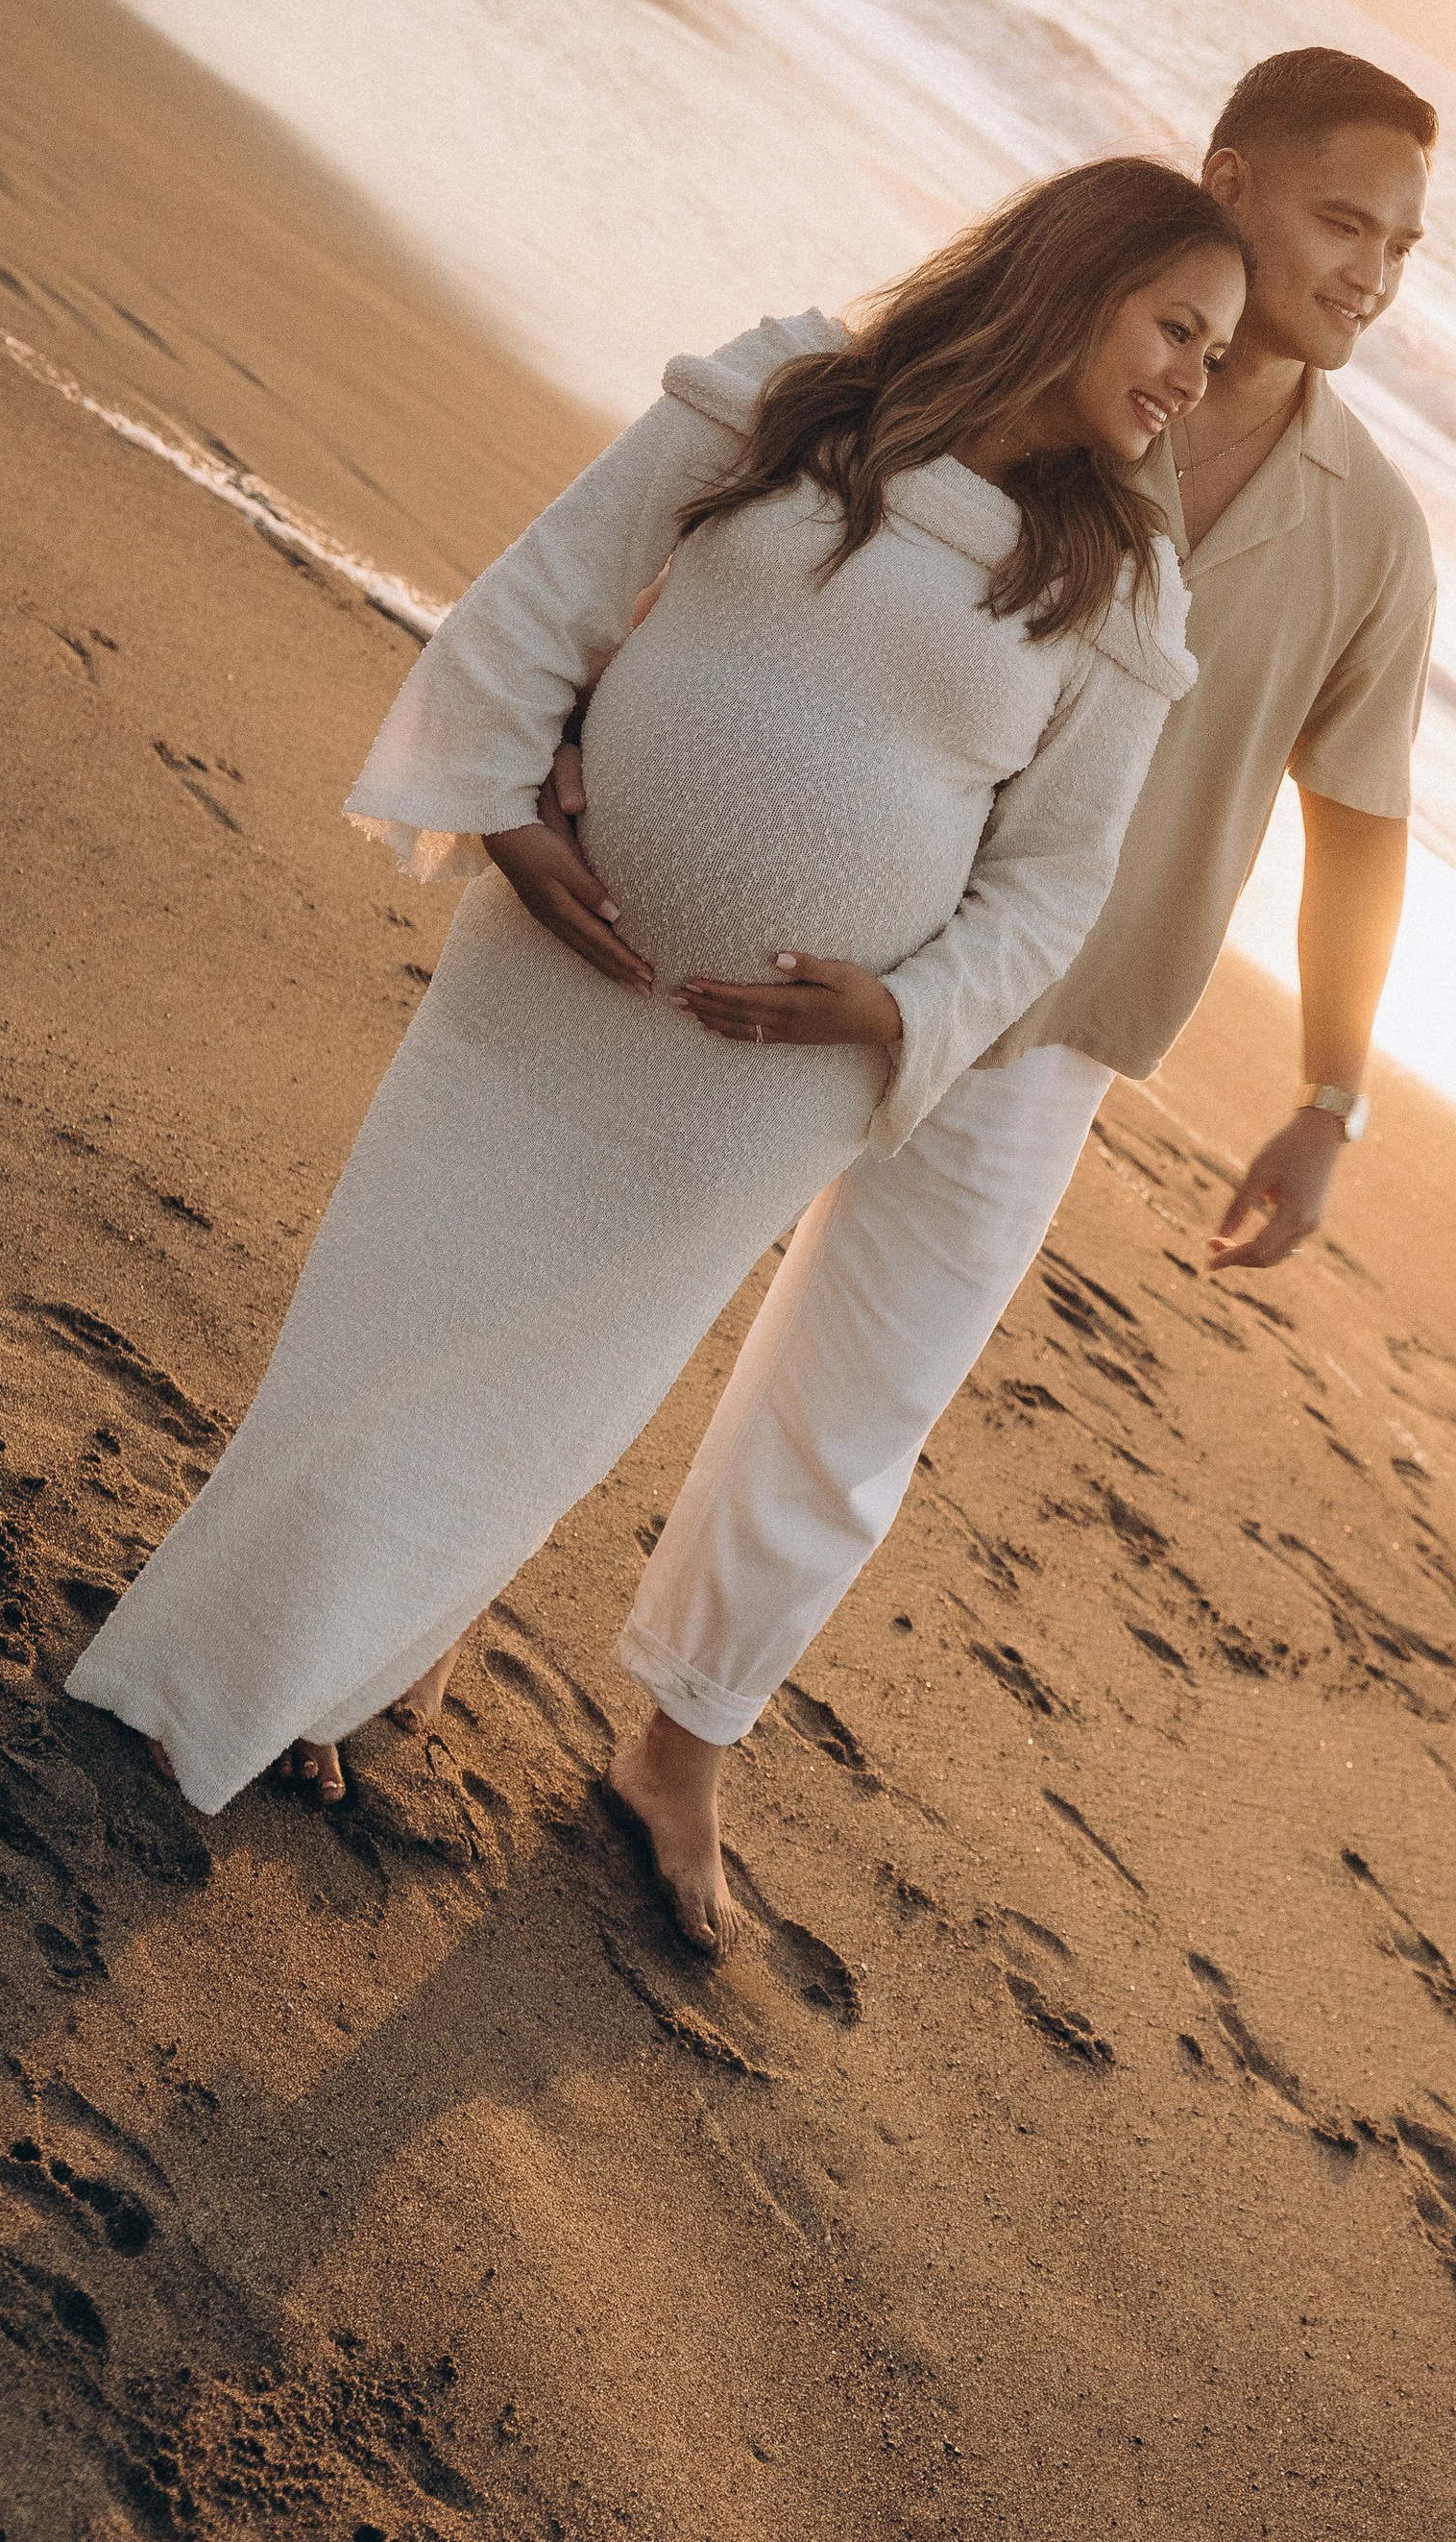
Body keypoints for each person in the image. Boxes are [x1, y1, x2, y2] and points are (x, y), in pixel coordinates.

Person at [65, 158, 1248, 1814]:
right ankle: (268, 1654)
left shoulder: (1118, 591)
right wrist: (497, 803)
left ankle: (279, 1678)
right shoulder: (793, 389)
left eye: (1218, 351)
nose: (1199, 379)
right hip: (543, 977)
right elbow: (560, 579)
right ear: (1072, 282)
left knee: (541, 1388)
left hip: (755, 1081)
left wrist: (893, 1012)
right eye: (1178, 327)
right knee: (386, 1308)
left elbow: (1056, 882)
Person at [552, 46, 1440, 1949]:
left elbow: (1356, 821)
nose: (1372, 271)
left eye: (1403, 245)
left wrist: (1329, 1093)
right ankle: (414, 1614)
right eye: (1341, 220)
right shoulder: (1044, 370)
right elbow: (787, 510)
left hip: (1056, 1016)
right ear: (1229, 179)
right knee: (615, 1264)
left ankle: (679, 1744)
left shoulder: (1373, 531)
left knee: (859, 1404)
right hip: (818, 928)